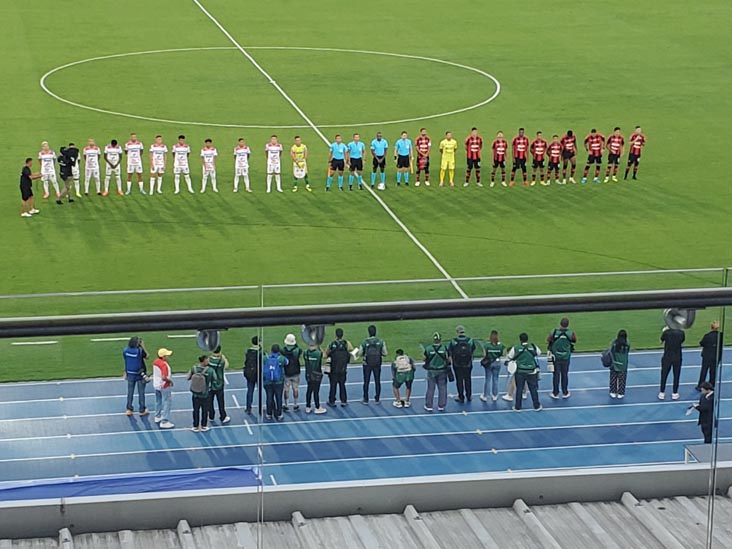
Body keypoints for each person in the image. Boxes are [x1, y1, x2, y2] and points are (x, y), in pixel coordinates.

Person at [507, 333, 542, 411]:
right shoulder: (533, 346)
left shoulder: (516, 348)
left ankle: (518, 407)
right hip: (531, 371)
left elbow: (510, 357)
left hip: (520, 371)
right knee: (533, 389)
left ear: (520, 339)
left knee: (519, 389)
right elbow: (539, 353)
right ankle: (536, 406)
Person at [547, 317, 577, 399]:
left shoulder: (554, 332)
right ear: (568, 324)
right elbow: (574, 340)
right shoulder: (571, 333)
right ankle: (565, 392)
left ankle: (555, 393)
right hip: (566, 357)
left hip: (556, 356)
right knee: (565, 374)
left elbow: (548, 340)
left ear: (560, 324)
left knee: (556, 375)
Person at [359, 325, 388, 404]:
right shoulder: (381, 341)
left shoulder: (364, 342)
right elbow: (385, 353)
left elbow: (360, 353)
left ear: (368, 332)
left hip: (367, 364)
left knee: (366, 381)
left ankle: (365, 399)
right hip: (377, 363)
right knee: (377, 381)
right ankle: (377, 399)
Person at [449, 325, 478, 403]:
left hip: (457, 364)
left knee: (459, 380)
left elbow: (450, 351)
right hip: (468, 364)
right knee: (468, 379)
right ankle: (469, 396)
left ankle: (461, 397)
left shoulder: (453, 341)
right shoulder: (470, 340)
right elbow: (473, 349)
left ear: (457, 332)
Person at [423, 332, 451, 412]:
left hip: (432, 371)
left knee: (430, 388)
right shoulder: (444, 348)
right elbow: (449, 359)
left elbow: (424, 358)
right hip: (442, 371)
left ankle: (429, 405)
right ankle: (441, 405)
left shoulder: (428, 348)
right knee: (442, 388)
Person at [187, 355, 216, 432]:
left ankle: (195, 426)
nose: (208, 361)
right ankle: (204, 426)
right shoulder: (210, 370)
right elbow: (215, 379)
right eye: (207, 360)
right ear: (204, 361)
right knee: (204, 410)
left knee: (195, 410)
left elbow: (188, 377)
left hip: (195, 393)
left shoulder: (194, 368)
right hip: (205, 394)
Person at [325, 328, 353, 406]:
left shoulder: (331, 344)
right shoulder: (346, 343)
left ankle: (332, 401)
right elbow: (352, 352)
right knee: (342, 385)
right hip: (343, 369)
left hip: (333, 369)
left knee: (333, 386)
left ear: (336, 335)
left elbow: (325, 355)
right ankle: (343, 401)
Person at [123, 336, 149, 417]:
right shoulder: (139, 351)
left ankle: (129, 409)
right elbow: (147, 356)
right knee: (141, 392)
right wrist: (143, 346)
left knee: (130, 392)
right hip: (139, 373)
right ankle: (142, 409)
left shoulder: (125, 350)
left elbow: (126, 360)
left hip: (130, 373)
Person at [659, 326, 685, 400]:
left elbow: (661, 341)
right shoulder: (681, 333)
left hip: (667, 356)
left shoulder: (666, 333)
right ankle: (675, 392)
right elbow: (682, 341)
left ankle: (662, 392)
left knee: (664, 375)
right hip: (677, 357)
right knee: (676, 375)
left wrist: (664, 331)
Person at [263, 344, 287, 420]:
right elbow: (287, 362)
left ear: (271, 350)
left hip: (268, 381)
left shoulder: (265, 358)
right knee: (279, 398)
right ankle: (279, 414)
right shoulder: (281, 358)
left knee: (269, 397)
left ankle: (269, 413)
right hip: (278, 381)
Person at [207, 345, 230, 424]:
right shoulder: (221, 361)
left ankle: (211, 416)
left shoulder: (209, 360)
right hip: (219, 384)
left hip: (210, 384)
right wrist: (223, 356)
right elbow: (227, 365)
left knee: (210, 401)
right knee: (221, 401)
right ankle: (223, 416)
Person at [153, 348, 175, 428]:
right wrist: (170, 381)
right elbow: (164, 377)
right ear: (163, 356)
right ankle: (164, 421)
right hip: (164, 385)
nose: (168, 357)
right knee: (167, 401)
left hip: (156, 384)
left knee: (158, 400)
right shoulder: (164, 365)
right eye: (166, 355)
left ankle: (157, 416)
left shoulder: (155, 362)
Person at [480, 330, 505, 402]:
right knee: (495, 379)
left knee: (487, 379)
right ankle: (495, 395)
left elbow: (484, 355)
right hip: (497, 363)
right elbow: (503, 354)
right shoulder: (501, 346)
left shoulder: (487, 345)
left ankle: (485, 396)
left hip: (489, 363)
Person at [699, 321, 723, 389]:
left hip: (707, 356)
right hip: (716, 356)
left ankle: (700, 385)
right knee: (713, 372)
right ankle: (712, 385)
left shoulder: (707, 336)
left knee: (704, 371)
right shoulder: (720, 335)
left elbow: (702, 343)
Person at [303, 343, 326, 414]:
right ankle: (317, 407)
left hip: (308, 374)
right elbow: (325, 355)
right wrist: (320, 347)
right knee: (316, 392)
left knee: (309, 390)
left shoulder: (305, 353)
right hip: (316, 375)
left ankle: (308, 406)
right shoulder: (318, 353)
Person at [282, 333, 302, 411]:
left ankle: (286, 405)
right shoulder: (297, 350)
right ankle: (295, 404)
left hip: (287, 373)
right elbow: (299, 354)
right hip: (296, 372)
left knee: (286, 389)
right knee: (295, 389)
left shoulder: (283, 350)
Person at [243, 336, 262, 414]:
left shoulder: (248, 351)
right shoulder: (260, 351)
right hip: (258, 374)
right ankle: (260, 408)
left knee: (250, 391)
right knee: (260, 391)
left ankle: (248, 408)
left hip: (249, 374)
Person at [609, 329, 630, 399]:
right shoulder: (627, 345)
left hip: (614, 364)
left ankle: (613, 391)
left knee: (613, 378)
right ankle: (621, 392)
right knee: (622, 379)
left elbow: (611, 351)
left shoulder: (614, 344)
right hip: (623, 365)